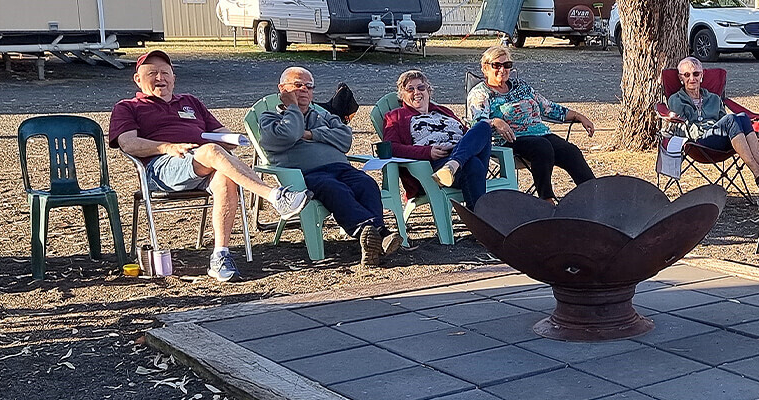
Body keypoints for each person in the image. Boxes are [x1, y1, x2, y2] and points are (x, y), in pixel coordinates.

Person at [110, 50, 310, 282]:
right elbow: (128, 143)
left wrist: (232, 140)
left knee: (225, 176)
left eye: (165, 73)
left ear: (174, 77)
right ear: (138, 79)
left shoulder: (190, 102)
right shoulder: (128, 106)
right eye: (152, 73)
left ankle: (220, 256)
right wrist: (166, 147)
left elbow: (222, 135)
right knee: (213, 151)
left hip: (201, 162)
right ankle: (274, 196)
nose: (160, 78)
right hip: (161, 166)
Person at [258, 67, 400, 267]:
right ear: (282, 89)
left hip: (341, 168)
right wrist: (293, 109)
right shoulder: (270, 118)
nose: (304, 90)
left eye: (308, 86)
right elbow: (290, 134)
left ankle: (374, 235)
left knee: (366, 183)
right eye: (297, 85)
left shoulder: (322, 115)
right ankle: (372, 232)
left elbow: (345, 139)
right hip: (306, 175)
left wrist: (311, 134)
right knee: (334, 188)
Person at [467, 45, 598, 203]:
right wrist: (495, 122)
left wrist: (578, 116)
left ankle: (594, 195)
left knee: (571, 151)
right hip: (507, 141)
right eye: (496, 65)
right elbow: (477, 122)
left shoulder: (521, 86)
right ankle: (546, 199)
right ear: (485, 68)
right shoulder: (480, 93)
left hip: (540, 134)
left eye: (507, 65)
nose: (502, 69)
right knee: (542, 147)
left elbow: (547, 107)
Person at [382, 69, 493, 208]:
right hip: (434, 166)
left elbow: (468, 135)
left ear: (428, 91)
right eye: (410, 89)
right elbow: (391, 147)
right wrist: (427, 152)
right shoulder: (395, 116)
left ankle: (453, 164)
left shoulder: (444, 111)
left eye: (421, 87)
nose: (416, 92)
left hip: (459, 155)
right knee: (473, 164)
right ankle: (482, 223)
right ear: (402, 95)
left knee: (483, 126)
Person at [664, 56, 759, 188]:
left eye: (696, 74)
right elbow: (679, 125)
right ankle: (757, 172)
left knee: (742, 117)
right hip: (698, 142)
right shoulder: (676, 100)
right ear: (681, 78)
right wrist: (701, 131)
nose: (692, 78)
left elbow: (724, 120)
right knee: (732, 119)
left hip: (719, 139)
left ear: (702, 76)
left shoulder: (713, 98)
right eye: (687, 75)